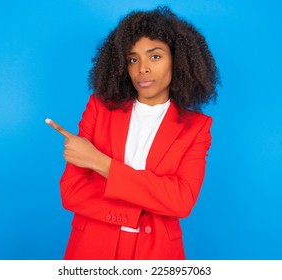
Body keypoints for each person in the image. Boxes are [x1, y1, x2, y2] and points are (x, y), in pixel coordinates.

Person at [46, 6, 219, 260]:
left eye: (155, 56)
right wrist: (140, 208)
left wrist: (99, 162)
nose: (142, 69)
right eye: (133, 59)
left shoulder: (197, 126)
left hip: (157, 253)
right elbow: (72, 191)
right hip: (92, 250)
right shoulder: (100, 108)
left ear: (178, 60)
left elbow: (181, 200)